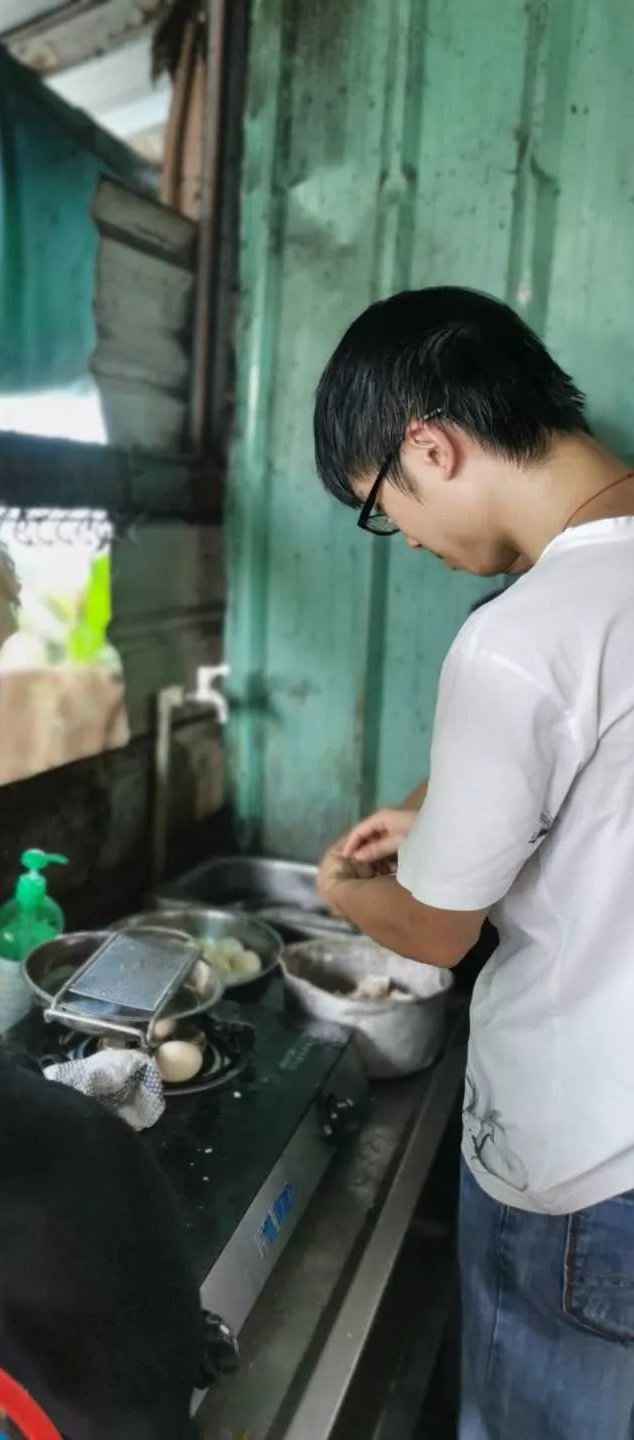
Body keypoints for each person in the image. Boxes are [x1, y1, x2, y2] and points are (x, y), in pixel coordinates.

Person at [310, 286, 634, 1440]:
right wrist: (428, 810)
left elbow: (440, 933)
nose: (414, 543)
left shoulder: (517, 636)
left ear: (429, 446)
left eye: (384, 510)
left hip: (584, 1180)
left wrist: (344, 890)